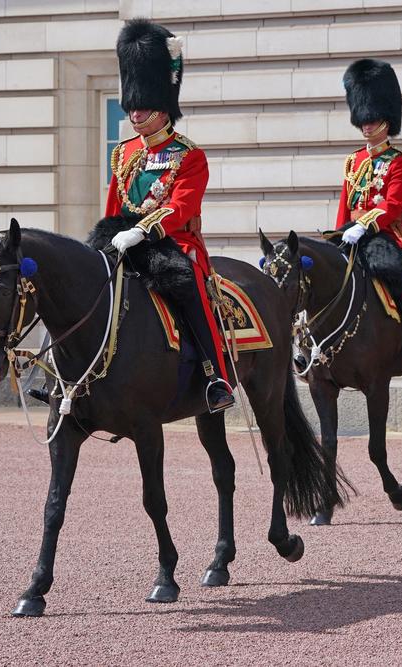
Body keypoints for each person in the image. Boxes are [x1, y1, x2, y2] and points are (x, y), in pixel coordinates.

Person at [105, 18, 234, 412]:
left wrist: (141, 231)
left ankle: (217, 377)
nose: (136, 112)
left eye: (143, 104)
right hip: (125, 240)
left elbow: (181, 207)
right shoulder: (124, 152)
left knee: (187, 289)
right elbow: (114, 205)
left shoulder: (188, 154)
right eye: (133, 104)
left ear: (163, 106)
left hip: (172, 243)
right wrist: (106, 239)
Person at [335, 58, 402, 382]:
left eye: (372, 119)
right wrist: (338, 234)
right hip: (351, 233)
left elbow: (393, 204)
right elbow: (344, 204)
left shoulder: (400, 161)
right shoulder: (353, 160)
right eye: (363, 119)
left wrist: (366, 224)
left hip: (384, 235)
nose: (366, 125)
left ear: (386, 121)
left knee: (399, 276)